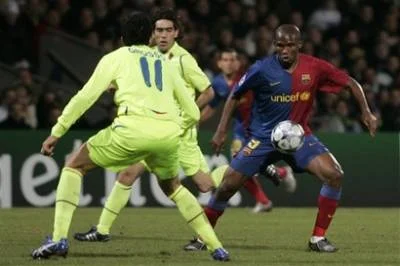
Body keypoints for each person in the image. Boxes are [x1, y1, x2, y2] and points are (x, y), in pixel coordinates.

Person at [31, 12, 229, 261]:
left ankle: (59, 239)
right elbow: (191, 110)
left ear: (122, 38)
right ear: (150, 38)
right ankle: (216, 247)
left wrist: (56, 132)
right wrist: (175, 128)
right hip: (167, 134)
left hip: (132, 129)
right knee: (174, 188)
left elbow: (84, 98)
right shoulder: (165, 63)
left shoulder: (115, 58)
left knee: (74, 165)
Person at [204, 24, 377, 253]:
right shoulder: (261, 69)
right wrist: (221, 130)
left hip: (299, 136)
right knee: (227, 186)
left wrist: (366, 111)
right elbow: (235, 95)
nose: (285, 50)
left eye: (290, 45)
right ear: (274, 45)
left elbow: (351, 83)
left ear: (299, 45)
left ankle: (317, 239)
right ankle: (203, 236)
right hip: (263, 138)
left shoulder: (313, 67)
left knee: (334, 175)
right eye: (280, 45)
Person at [201, 48, 297, 210]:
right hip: (241, 127)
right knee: (239, 163)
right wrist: (194, 120)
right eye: (225, 60)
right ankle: (270, 191)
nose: (229, 63)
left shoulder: (249, 77)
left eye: (232, 60)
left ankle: (275, 183)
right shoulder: (218, 83)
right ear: (219, 63)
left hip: (260, 126)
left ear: (239, 63)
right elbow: (212, 106)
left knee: (242, 163)